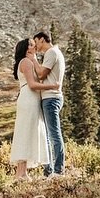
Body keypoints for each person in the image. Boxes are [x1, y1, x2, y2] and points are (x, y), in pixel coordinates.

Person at [9, 37, 57, 178]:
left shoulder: (29, 62)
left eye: (33, 43)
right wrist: (53, 86)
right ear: (25, 49)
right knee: (25, 132)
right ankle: (21, 173)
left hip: (30, 99)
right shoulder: (26, 63)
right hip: (29, 98)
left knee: (27, 132)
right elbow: (33, 84)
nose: (34, 45)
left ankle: (22, 172)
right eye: (30, 44)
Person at [31, 30, 66, 176]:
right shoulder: (55, 53)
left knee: (53, 134)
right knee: (49, 133)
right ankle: (50, 169)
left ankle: (58, 170)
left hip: (51, 97)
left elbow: (41, 74)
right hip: (52, 97)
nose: (35, 46)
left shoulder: (51, 53)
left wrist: (33, 59)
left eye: (36, 42)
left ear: (42, 39)